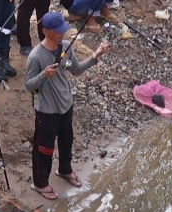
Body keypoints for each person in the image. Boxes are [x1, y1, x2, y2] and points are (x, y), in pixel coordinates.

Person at [24, 12, 109, 200]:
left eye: (63, 29)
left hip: (66, 105)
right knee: (44, 148)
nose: (63, 33)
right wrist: (43, 75)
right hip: (46, 110)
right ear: (46, 31)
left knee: (66, 140)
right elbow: (29, 84)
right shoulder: (36, 56)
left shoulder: (65, 48)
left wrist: (95, 56)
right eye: (58, 31)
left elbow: (76, 70)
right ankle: (40, 183)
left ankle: (65, 169)